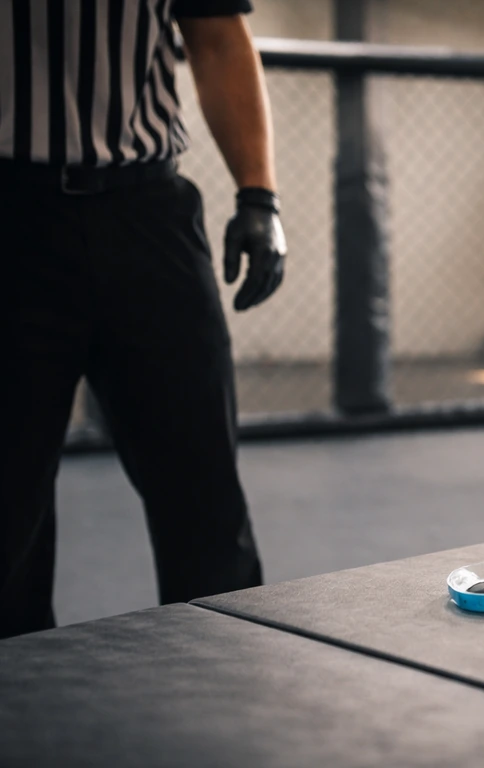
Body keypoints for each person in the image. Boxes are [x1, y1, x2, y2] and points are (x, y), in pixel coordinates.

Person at [0, 0, 287, 638]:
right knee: (7, 503)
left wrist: (258, 195)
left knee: (204, 492)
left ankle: (226, 672)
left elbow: (217, 36)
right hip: (10, 216)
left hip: (147, 211)